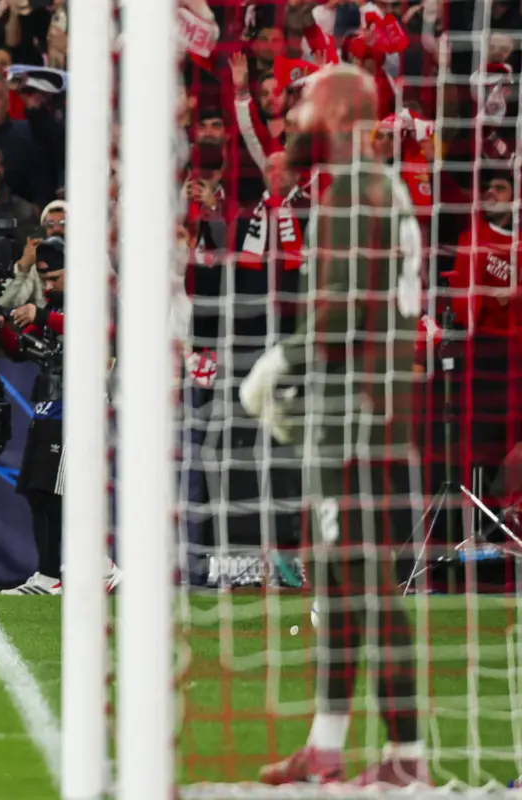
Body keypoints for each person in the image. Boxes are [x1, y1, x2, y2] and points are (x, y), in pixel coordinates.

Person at [240, 63, 427, 788]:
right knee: (346, 583)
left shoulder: (358, 188)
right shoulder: (381, 188)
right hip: (375, 406)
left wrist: (275, 363)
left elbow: (343, 308)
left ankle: (406, 759)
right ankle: (328, 746)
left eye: (306, 107)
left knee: (364, 584)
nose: (296, 122)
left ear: (337, 114)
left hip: (358, 411)